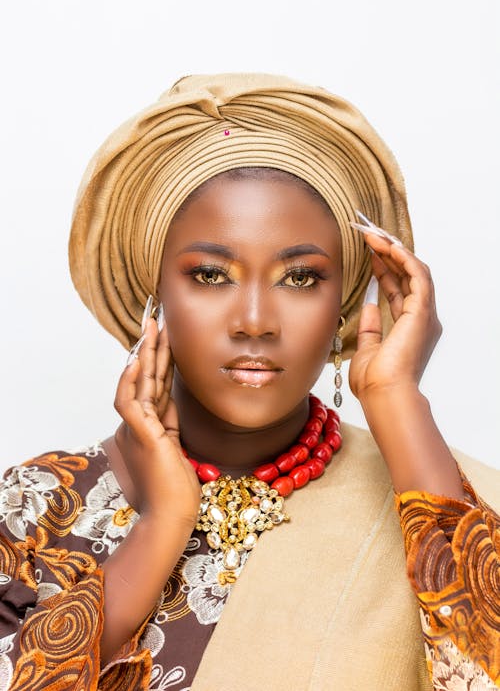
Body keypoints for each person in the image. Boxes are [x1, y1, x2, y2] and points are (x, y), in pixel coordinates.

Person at [0, 73, 498, 691]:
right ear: (153, 298)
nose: (256, 322)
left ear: (345, 302)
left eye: (300, 278)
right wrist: (162, 525)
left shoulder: (445, 496)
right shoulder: (34, 511)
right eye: (211, 275)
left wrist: (398, 402)